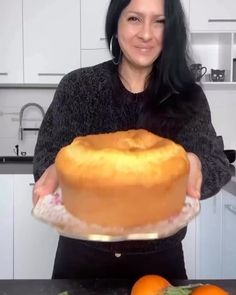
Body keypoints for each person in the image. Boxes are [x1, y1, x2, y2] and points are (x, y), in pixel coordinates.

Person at [32, 0, 231, 280]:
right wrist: (56, 171)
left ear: (170, 30)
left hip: (160, 263)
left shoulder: (186, 95)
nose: (146, 34)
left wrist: (196, 163)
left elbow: (216, 162)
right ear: (116, 24)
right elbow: (47, 158)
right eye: (135, 19)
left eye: (159, 22)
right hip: (81, 260)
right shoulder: (78, 87)